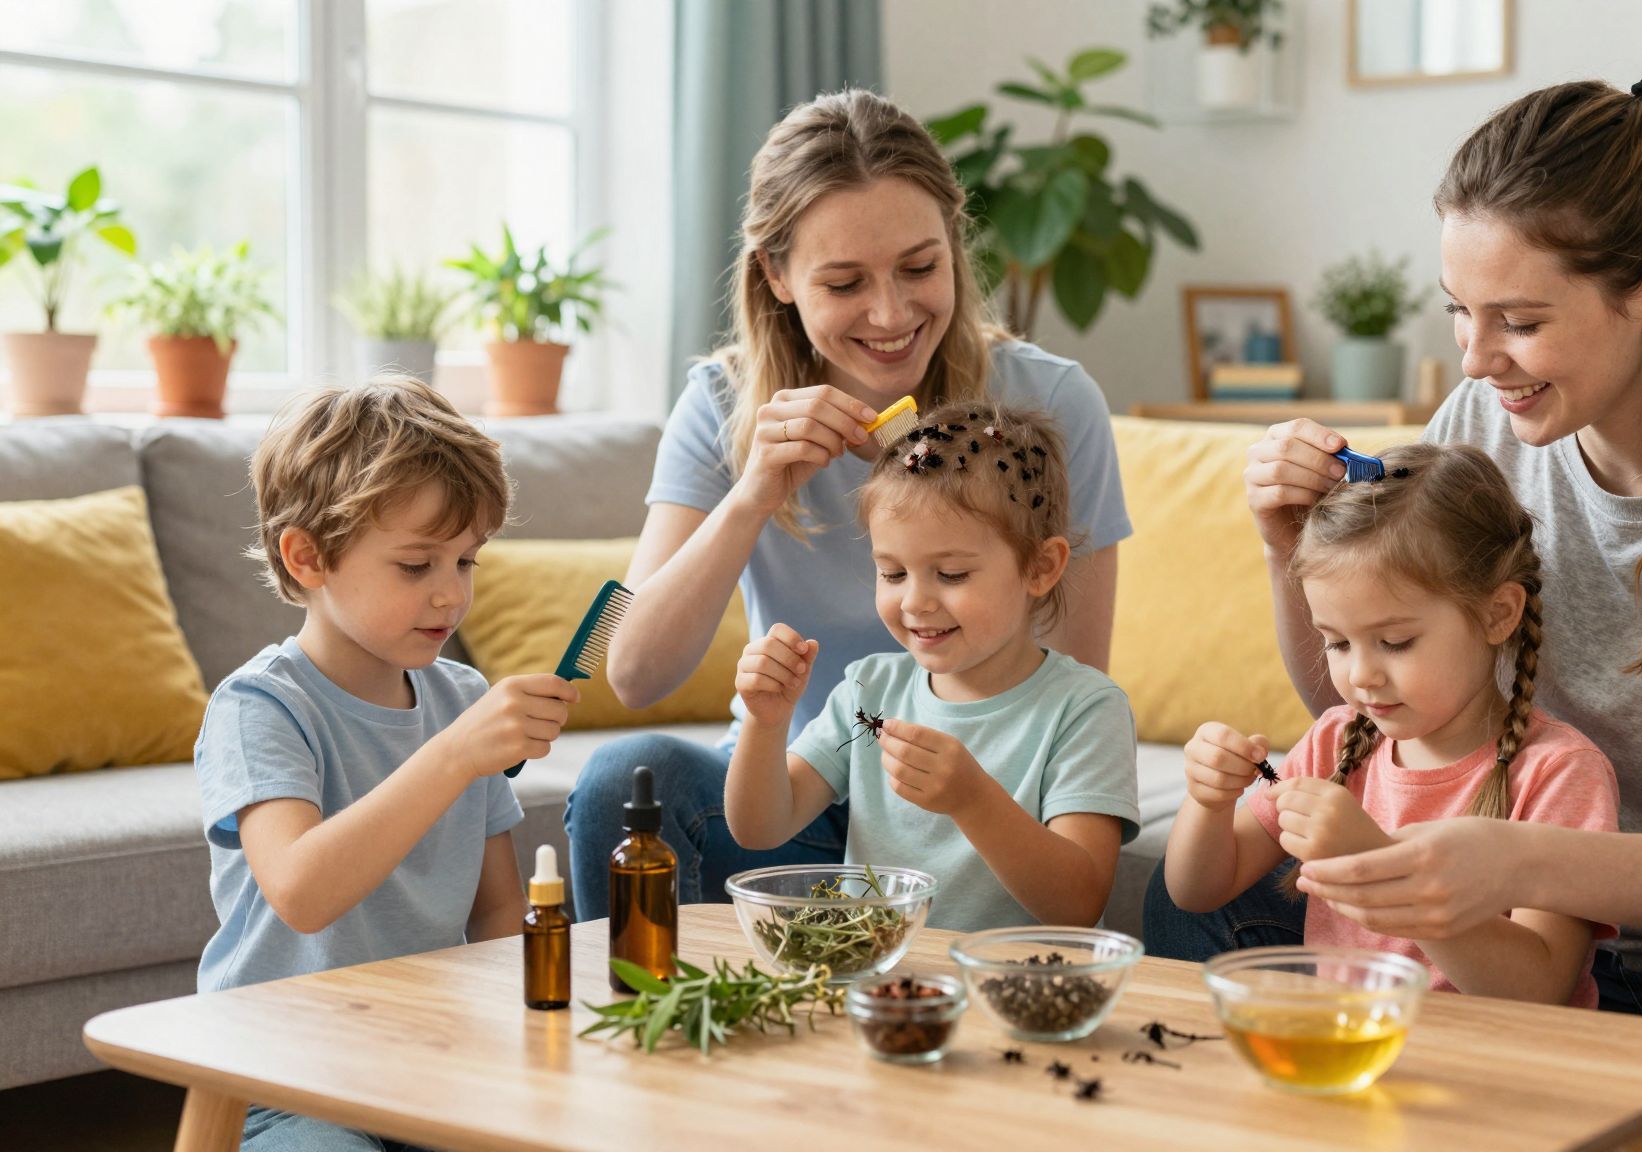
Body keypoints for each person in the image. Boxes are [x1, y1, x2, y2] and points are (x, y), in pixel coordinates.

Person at [1164, 70, 1642, 1150]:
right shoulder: (1477, 424)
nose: (1477, 360)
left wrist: (1512, 862)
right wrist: (1280, 546)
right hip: (1528, 940)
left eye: (1518, 321)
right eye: (1458, 313)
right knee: (1187, 886)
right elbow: (1374, 710)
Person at [565, 89, 1130, 917]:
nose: (893, 314)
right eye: (844, 282)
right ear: (777, 276)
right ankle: (640, 1032)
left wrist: (968, 796)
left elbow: (1074, 677)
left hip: (963, 803)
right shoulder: (721, 405)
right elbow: (629, 668)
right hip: (791, 788)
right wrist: (754, 492)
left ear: (955, 250)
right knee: (621, 777)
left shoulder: (1047, 404)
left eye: (919, 267)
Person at [195, 377, 577, 1150]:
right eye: (415, 566)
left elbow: (497, 910)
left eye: (466, 562)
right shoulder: (260, 709)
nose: (450, 596)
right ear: (307, 558)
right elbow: (302, 890)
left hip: (432, 1060)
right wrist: (453, 754)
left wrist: (527, 1049)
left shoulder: (459, 695)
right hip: (287, 1078)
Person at [1160, 443, 1618, 1006]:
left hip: (1506, 1070)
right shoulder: (1337, 741)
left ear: (1499, 613)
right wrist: (1206, 802)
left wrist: (1376, 861)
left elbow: (1540, 987)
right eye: (1337, 642)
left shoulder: (1559, 773)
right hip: (1360, 1052)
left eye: (1395, 642)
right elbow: (1195, 891)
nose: (1362, 675)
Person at [725, 402, 1137, 930]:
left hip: (1012, 986)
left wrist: (972, 799)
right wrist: (765, 722)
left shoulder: (1085, 709)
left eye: (951, 574)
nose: (915, 602)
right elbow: (759, 827)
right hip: (881, 975)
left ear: (1040, 567)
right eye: (893, 574)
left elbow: (1079, 904)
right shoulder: (870, 687)